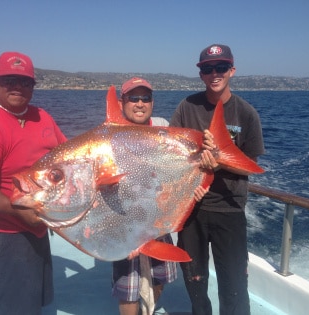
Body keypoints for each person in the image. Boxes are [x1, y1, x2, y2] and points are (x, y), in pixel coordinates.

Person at [0, 51, 67, 315]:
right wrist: (21, 210)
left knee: (31, 303)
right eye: (9, 80)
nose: (17, 86)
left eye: (25, 81)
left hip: (37, 228)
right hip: (3, 238)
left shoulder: (42, 116)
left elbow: (67, 158)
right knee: (9, 307)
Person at [170, 44, 265, 315]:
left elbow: (250, 166)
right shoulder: (187, 107)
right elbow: (173, 158)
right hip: (192, 209)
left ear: (232, 70)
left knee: (233, 286)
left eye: (221, 67)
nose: (215, 74)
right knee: (195, 283)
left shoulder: (246, 114)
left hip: (229, 209)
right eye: (208, 69)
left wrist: (221, 159)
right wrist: (199, 162)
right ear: (200, 74)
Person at [111, 77, 209, 315]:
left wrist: (200, 179)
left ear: (152, 103)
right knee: (128, 286)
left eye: (146, 98)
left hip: (158, 219)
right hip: (125, 221)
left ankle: (149, 311)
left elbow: (185, 165)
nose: (140, 103)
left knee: (161, 275)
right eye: (133, 98)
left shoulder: (164, 126)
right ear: (121, 102)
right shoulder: (110, 135)